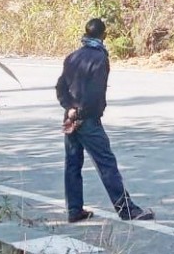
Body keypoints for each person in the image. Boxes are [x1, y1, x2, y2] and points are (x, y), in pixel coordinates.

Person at [55, 18, 154, 224]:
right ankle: (126, 209)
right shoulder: (100, 58)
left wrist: (70, 108)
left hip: (71, 117)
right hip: (87, 119)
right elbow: (94, 93)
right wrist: (80, 112)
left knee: (73, 164)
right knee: (106, 163)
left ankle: (74, 210)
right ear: (104, 35)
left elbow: (60, 87)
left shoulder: (72, 57)